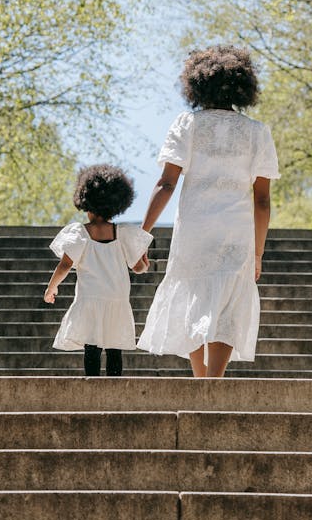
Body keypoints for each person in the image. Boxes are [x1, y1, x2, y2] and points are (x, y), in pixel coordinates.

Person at [137, 45, 280, 378]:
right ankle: (213, 382)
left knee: (193, 296)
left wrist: (143, 233)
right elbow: (262, 200)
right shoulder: (257, 132)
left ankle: (200, 379)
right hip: (236, 232)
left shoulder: (187, 124)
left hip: (195, 230)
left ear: (196, 85)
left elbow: (166, 184)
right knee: (228, 302)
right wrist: (258, 252)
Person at [44, 164, 153, 376]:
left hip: (90, 298)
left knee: (91, 347)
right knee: (114, 348)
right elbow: (139, 268)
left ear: (86, 202)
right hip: (117, 299)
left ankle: (92, 385)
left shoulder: (80, 233)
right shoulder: (123, 234)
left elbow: (65, 265)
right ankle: (114, 388)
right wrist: (143, 260)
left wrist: (51, 288)